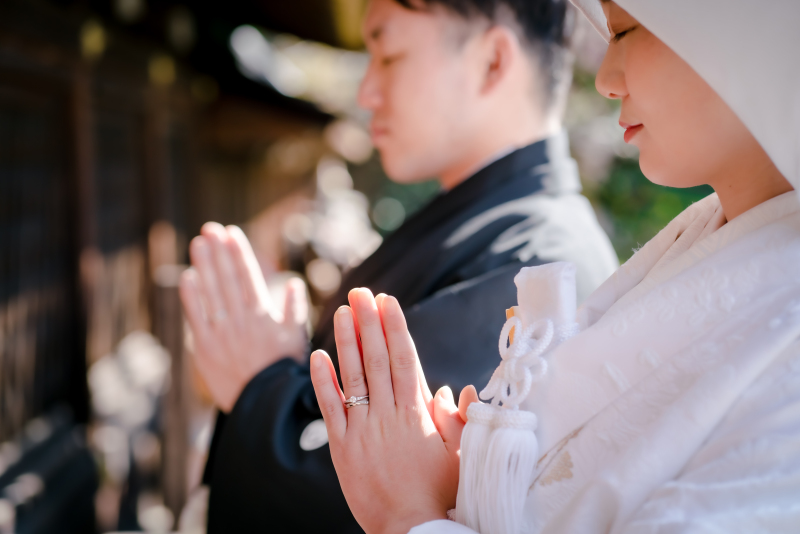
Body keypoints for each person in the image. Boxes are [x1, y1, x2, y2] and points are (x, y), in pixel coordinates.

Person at [308, 0, 800, 533]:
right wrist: (475, 490)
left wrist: (410, 517)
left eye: (626, 31)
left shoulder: (533, 243)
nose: (607, 79)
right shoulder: (703, 239)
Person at [179, 0, 618, 531]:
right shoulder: (497, 224)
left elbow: (372, 491)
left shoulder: (537, 268)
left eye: (388, 56)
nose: (366, 93)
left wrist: (259, 378)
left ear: (492, 61)